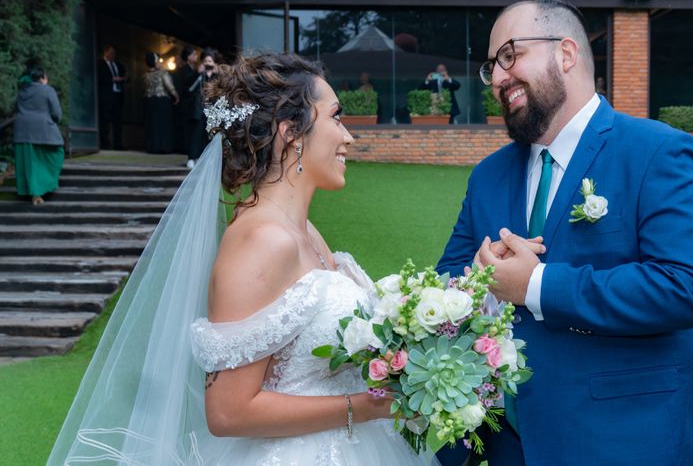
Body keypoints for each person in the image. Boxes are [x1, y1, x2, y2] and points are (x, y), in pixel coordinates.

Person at [47, 53, 433, 465]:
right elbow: (228, 411)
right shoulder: (261, 240)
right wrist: (366, 405)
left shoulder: (305, 231)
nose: (348, 137)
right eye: (336, 117)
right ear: (291, 132)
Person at [437, 0, 693, 465]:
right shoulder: (487, 176)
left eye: (510, 56)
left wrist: (535, 284)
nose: (497, 78)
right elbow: (446, 281)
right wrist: (480, 278)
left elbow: (691, 287)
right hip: (506, 449)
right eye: (491, 67)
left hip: (623, 442)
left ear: (566, 54)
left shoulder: (656, 151)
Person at [13, 67, 64, 205]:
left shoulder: (22, 91)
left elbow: (16, 108)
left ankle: (32, 191)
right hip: (43, 130)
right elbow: (57, 114)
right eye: (46, 77)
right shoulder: (48, 90)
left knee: (30, 162)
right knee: (56, 155)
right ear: (42, 78)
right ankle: (40, 190)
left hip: (22, 131)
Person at [143, 52, 179, 153]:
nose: (160, 62)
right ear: (155, 62)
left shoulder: (145, 75)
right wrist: (176, 96)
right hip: (161, 101)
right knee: (162, 125)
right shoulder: (162, 73)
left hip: (149, 101)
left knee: (152, 125)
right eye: (158, 60)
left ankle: (152, 147)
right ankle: (163, 147)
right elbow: (169, 86)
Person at [175, 45, 201, 168]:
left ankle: (194, 155)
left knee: (195, 130)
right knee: (189, 130)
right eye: (194, 54)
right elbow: (187, 83)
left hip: (194, 104)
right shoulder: (184, 69)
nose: (196, 56)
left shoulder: (192, 68)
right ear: (189, 56)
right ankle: (190, 156)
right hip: (187, 104)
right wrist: (197, 72)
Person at [96, 44, 127, 149]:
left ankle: (118, 144)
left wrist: (123, 79)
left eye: (114, 53)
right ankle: (104, 144)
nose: (113, 55)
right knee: (105, 121)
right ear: (106, 52)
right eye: (111, 53)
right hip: (106, 97)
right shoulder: (100, 64)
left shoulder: (118, 65)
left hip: (117, 96)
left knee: (117, 122)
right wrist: (113, 79)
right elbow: (99, 78)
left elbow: (124, 76)